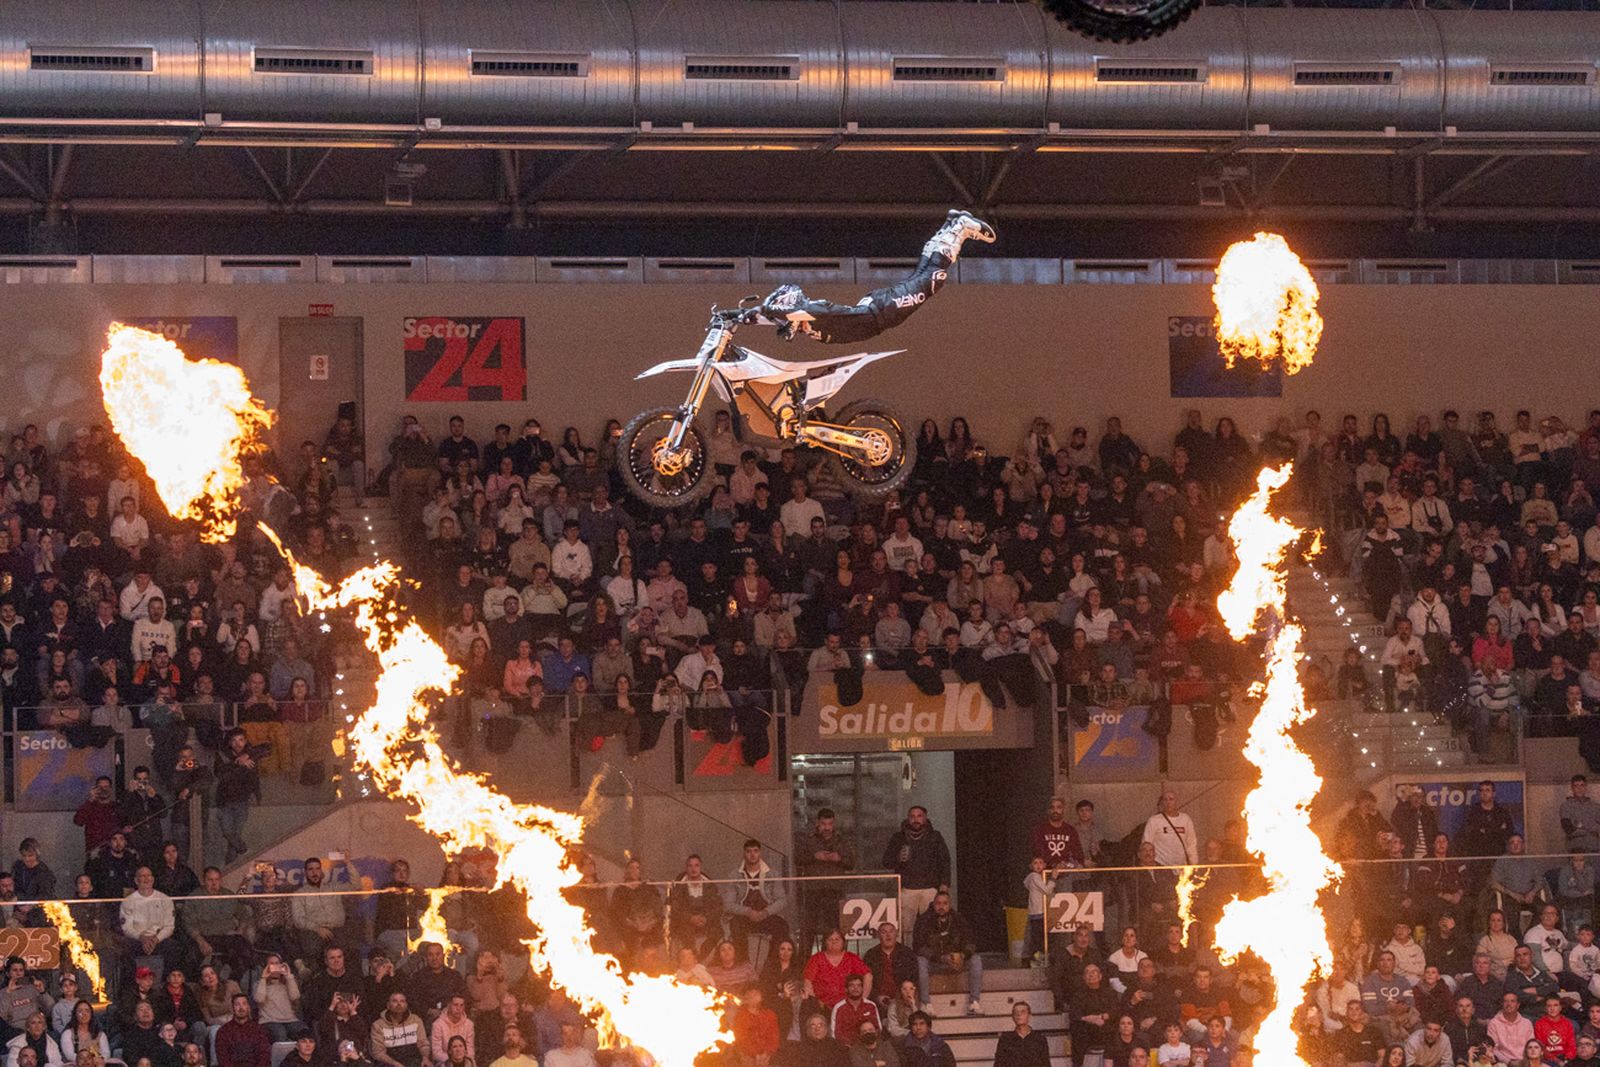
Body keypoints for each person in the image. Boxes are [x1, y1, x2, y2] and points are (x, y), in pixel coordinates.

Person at [751, 211, 995, 346]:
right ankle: (948, 226)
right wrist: (738, 316)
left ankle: (959, 228)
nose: (792, 329)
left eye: (789, 322)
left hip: (882, 311)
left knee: (931, 281)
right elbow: (771, 317)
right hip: (881, 312)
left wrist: (767, 307)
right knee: (922, 277)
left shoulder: (814, 310)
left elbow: (787, 312)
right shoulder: (807, 317)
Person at [881, 807, 951, 927]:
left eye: (919, 816)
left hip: (930, 888)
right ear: (908, 819)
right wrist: (898, 858)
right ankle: (907, 947)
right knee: (907, 927)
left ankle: (930, 947)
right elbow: (886, 862)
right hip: (907, 889)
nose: (916, 819)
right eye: (912, 816)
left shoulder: (935, 837)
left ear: (925, 818)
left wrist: (944, 883)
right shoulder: (899, 838)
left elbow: (944, 861)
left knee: (931, 925)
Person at [1142, 789, 1198, 868]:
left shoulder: (1186, 819)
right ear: (1162, 803)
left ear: (1176, 801)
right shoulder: (1154, 821)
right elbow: (1146, 844)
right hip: (1161, 867)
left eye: (1171, 799)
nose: (1168, 803)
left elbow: (1191, 843)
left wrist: (1194, 864)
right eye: (1165, 800)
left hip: (1182, 867)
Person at [215, 994, 272, 1067]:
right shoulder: (223, 1031)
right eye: (237, 1004)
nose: (241, 1007)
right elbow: (223, 1058)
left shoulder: (259, 1029)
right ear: (232, 1008)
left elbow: (264, 1055)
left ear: (248, 1007)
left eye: (244, 1004)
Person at [992, 1003, 1049, 1067]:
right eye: (1016, 1012)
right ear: (1012, 1017)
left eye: (1023, 1012)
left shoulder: (1040, 1039)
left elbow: (1046, 1064)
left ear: (1029, 1016)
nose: (1019, 1014)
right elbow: (998, 1064)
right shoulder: (1005, 1040)